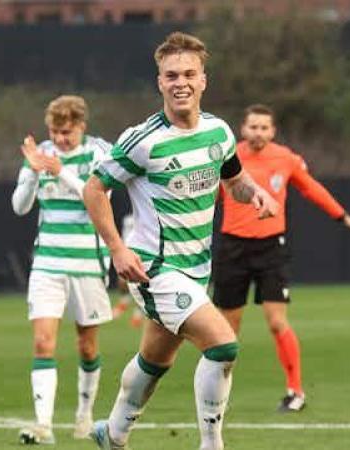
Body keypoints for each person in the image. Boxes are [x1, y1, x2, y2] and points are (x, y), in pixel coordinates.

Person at [82, 32, 278, 450]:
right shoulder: (142, 140)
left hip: (196, 268)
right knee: (223, 347)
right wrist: (118, 248)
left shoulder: (220, 132)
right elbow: (94, 189)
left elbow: (235, 182)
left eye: (189, 74)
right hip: (155, 269)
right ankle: (212, 444)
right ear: (160, 82)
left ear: (204, 80)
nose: (181, 83)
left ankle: (112, 433)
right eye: (171, 75)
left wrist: (256, 192)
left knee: (156, 359)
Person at [213, 104, 350, 413]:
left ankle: (295, 391)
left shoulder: (285, 159)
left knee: (276, 322)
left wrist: (342, 217)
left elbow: (311, 189)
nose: (258, 132)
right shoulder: (228, 158)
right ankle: (216, 395)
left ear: (272, 131)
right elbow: (212, 194)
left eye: (264, 127)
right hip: (233, 248)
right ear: (242, 129)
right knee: (226, 332)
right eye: (253, 127)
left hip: (271, 249)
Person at [11, 95, 113, 444]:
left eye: (66, 132)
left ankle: (84, 417)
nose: (59, 139)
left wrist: (61, 171)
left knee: (87, 346)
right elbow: (20, 207)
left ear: (82, 127)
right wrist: (31, 174)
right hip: (48, 263)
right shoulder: (41, 151)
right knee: (43, 342)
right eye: (55, 131)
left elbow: (97, 200)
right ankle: (43, 425)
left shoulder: (100, 152)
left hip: (88, 262)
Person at [110, 213, 144, 328]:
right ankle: (123, 304)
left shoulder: (146, 217)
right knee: (123, 282)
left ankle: (137, 315)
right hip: (127, 253)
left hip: (143, 255)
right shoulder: (127, 219)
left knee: (142, 286)